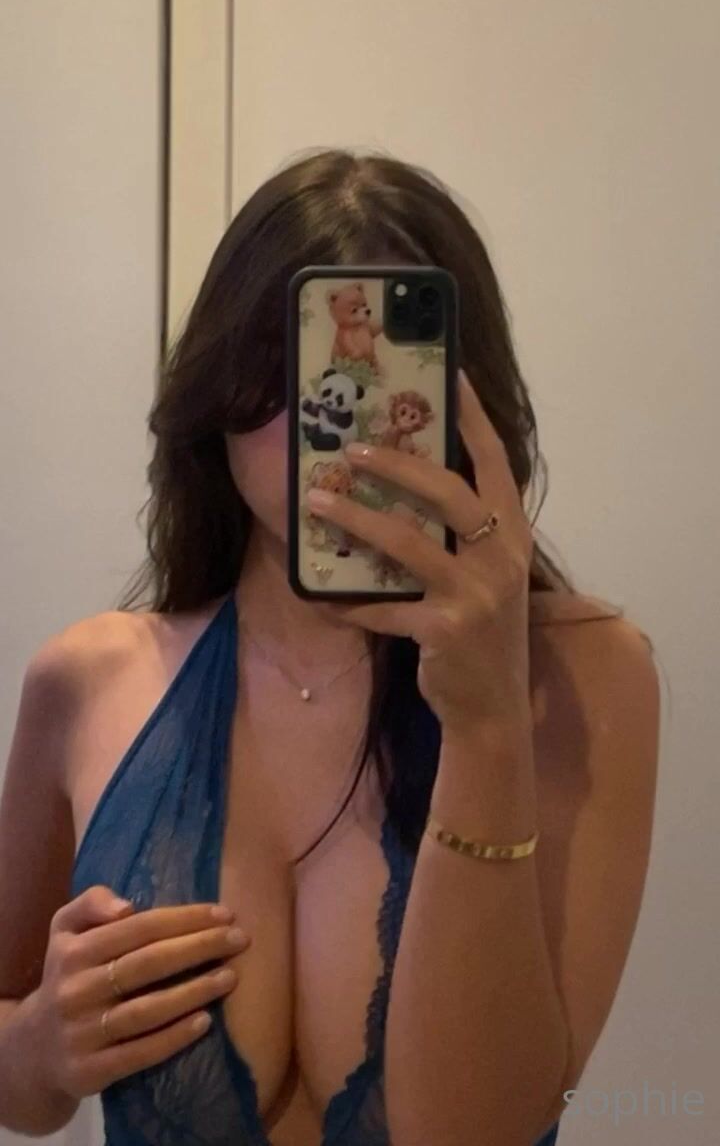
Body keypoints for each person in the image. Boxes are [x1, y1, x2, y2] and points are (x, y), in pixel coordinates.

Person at [0, 148, 660, 1145]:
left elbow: (474, 1132)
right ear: (218, 391)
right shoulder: (89, 679)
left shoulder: (584, 676)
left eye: (381, 380)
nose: (335, 426)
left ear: (461, 403)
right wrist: (39, 1049)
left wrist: (487, 725)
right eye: (291, 366)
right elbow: (14, 1076)